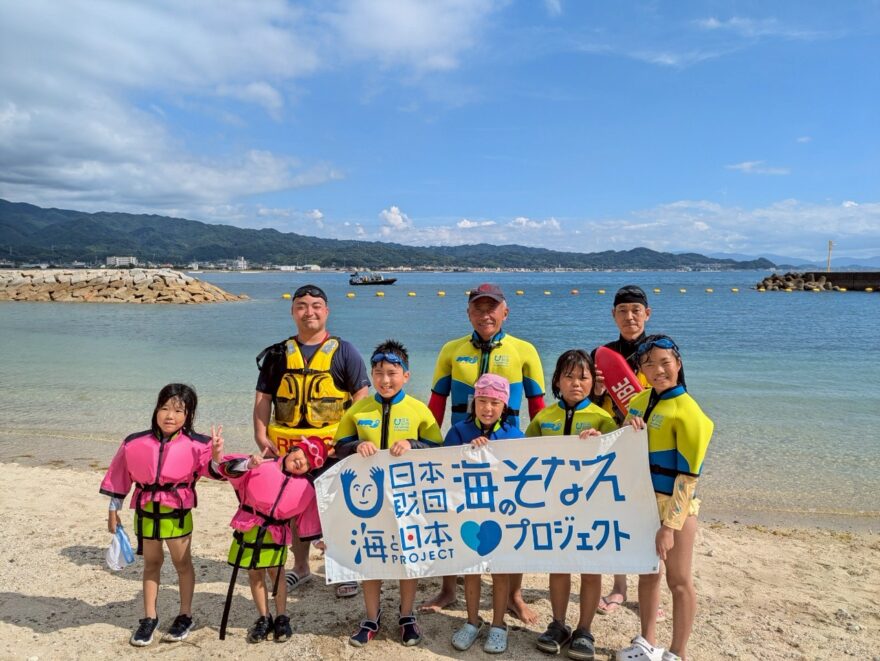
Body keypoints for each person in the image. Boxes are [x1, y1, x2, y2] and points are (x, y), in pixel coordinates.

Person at [422, 283, 546, 622]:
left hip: (507, 451)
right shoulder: (451, 350)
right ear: (468, 313)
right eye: (478, 308)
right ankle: (449, 588)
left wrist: (544, 451)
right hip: (460, 445)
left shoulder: (525, 351)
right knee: (454, 516)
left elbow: (539, 410)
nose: (485, 314)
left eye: (492, 308)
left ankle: (514, 596)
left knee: (512, 519)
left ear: (505, 312)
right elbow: (435, 406)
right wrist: (429, 449)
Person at [253, 283, 369, 597]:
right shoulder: (278, 354)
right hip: (288, 449)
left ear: (326, 311)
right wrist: (261, 435)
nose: (309, 311)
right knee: (293, 508)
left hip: (332, 448)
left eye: (316, 305)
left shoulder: (345, 351)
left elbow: (361, 398)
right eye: (302, 306)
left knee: (338, 508)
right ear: (293, 312)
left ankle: (344, 569)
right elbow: (264, 398)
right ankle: (301, 567)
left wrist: (353, 439)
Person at [334, 340, 443, 647]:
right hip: (368, 499)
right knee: (372, 555)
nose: (385, 379)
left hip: (408, 498)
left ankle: (407, 615)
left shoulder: (418, 410)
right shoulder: (359, 409)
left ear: (406, 376)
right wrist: (356, 446)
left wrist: (413, 444)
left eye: (392, 373)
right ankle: (371, 616)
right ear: (371, 374)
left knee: (408, 556)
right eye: (378, 372)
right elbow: (339, 445)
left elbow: (436, 448)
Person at [100, 384, 223, 646]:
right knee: (151, 564)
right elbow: (120, 476)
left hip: (176, 513)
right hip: (146, 511)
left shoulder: (199, 444)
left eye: (179, 410)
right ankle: (149, 618)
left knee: (182, 564)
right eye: (164, 408)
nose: (170, 415)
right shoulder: (135, 442)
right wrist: (113, 510)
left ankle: (185, 615)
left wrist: (216, 458)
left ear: (188, 415)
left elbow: (216, 471)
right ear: (156, 410)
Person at [617, 335, 713, 661]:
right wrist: (625, 427)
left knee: (679, 580)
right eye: (649, 364)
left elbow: (688, 478)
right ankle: (646, 641)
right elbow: (620, 444)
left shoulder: (689, 412)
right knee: (647, 573)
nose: (658, 370)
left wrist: (670, 526)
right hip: (643, 504)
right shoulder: (640, 401)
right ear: (641, 370)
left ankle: (678, 653)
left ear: (678, 364)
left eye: (665, 362)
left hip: (675, 508)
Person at [527, 351, 617, 659]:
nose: (576, 383)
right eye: (568, 376)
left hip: (592, 507)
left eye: (583, 377)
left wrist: (602, 441)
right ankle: (559, 624)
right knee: (559, 565)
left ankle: (585, 629)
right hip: (554, 505)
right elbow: (523, 459)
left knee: (591, 569)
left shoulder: (603, 419)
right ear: (556, 381)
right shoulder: (543, 418)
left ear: (594, 382)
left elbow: (621, 457)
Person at [214, 435, 326, 643]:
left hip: (277, 531)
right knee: (255, 574)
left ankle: (282, 617)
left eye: (309, 464)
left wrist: (316, 541)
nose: (303, 462)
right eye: (304, 455)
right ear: (293, 449)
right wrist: (247, 463)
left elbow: (308, 519)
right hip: (249, 526)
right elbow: (226, 469)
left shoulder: (307, 489)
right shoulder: (261, 465)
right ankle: (264, 617)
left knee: (277, 574)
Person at [591, 285, 657, 617]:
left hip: (652, 442)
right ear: (613, 315)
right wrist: (598, 388)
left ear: (647, 313)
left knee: (650, 517)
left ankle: (650, 590)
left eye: (635, 310)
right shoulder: (603, 353)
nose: (629, 316)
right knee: (615, 514)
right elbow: (586, 402)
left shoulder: (662, 351)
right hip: (615, 441)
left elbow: (679, 393)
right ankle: (618, 588)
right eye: (622, 311)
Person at [446, 373, 523, 654]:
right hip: (467, 512)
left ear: (505, 406)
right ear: (473, 403)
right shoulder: (458, 431)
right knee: (472, 569)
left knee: (500, 571)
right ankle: (471, 620)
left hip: (501, 514)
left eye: (494, 402)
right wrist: (468, 452)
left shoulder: (514, 435)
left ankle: (499, 623)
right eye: (482, 401)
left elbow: (521, 474)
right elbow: (443, 467)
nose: (487, 408)